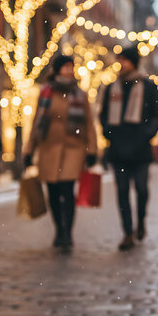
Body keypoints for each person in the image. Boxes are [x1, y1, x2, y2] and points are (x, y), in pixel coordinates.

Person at [23, 55, 97, 249]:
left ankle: (67, 233)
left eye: (71, 67)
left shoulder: (80, 94)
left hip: (74, 149)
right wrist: (29, 150)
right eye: (65, 67)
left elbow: (89, 124)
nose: (69, 70)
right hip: (49, 149)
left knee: (67, 190)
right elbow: (36, 122)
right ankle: (58, 229)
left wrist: (92, 150)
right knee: (54, 193)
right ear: (57, 69)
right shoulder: (46, 92)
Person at [100, 46, 158, 251]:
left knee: (142, 190)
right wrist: (107, 132)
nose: (122, 63)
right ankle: (128, 233)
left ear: (133, 62)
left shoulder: (148, 86)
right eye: (120, 60)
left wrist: (147, 133)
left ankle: (141, 221)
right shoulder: (112, 87)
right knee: (122, 193)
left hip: (140, 150)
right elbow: (102, 113)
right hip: (118, 150)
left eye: (125, 60)